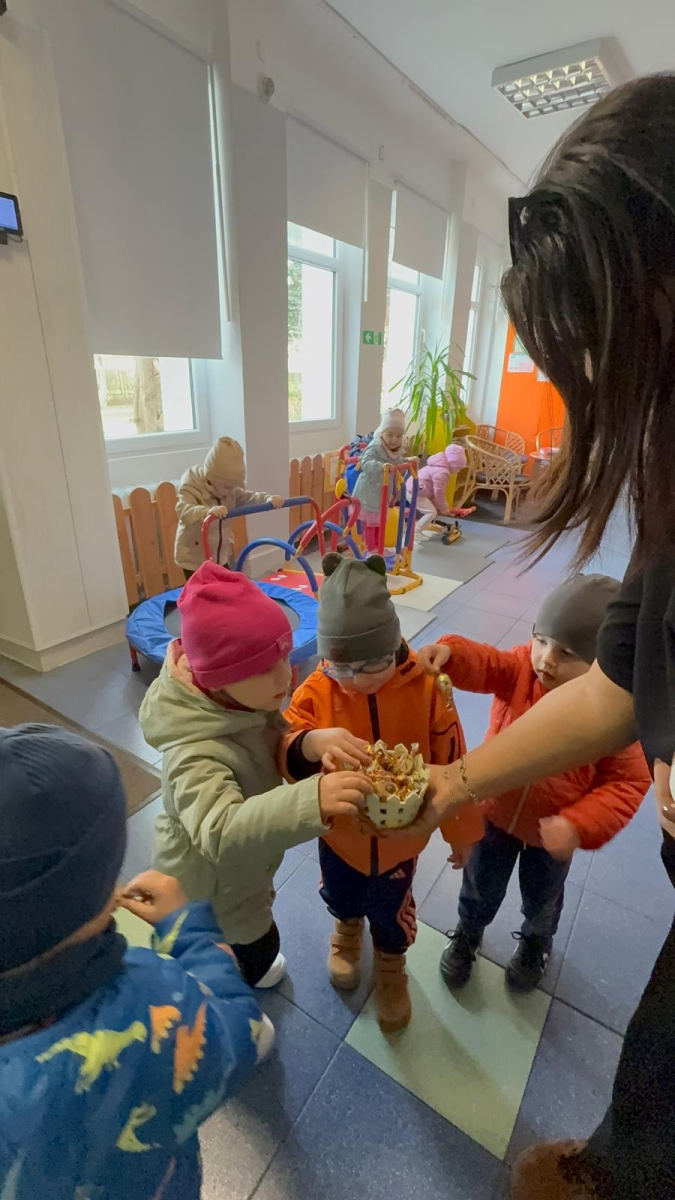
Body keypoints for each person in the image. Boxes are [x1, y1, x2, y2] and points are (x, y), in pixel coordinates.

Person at [394, 74, 675, 1200]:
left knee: (536, 915)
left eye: (598, 346)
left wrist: (579, 820)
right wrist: (457, 782)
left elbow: (617, 758)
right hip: (510, 830)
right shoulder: (663, 485)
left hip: (552, 846)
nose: (594, 383)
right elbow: (603, 681)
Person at [0, 724, 270, 1200]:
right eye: (107, 874)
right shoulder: (152, 998)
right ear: (69, 907)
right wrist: (192, 935)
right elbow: (240, 1032)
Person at [139, 560, 372, 990]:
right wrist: (312, 799)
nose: (286, 673)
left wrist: (307, 744)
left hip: (244, 876)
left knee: (257, 933)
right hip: (205, 892)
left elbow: (268, 744)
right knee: (228, 960)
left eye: (283, 656)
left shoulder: (239, 702)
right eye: (264, 667)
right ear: (219, 677)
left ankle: (253, 966)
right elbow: (221, 830)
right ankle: (236, 1008)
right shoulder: (193, 752)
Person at [418, 575, 650, 991]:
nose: (546, 659)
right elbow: (488, 664)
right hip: (494, 814)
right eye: (541, 640)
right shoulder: (522, 669)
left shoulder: (610, 715)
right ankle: (468, 933)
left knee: (543, 900)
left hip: (551, 835)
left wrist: (579, 824)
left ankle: (535, 943)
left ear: (601, 665)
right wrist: (452, 653)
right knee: (479, 887)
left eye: (567, 652)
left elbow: (628, 783)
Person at [282, 552, 483, 1032]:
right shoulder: (318, 689)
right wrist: (310, 743)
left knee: (392, 913)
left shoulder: (427, 689)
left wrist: (461, 831)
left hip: (400, 842)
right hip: (339, 835)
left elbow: (455, 761)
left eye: (372, 663)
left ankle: (391, 967)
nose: (358, 680)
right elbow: (286, 743)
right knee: (340, 892)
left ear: (393, 644)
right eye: (342, 667)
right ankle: (346, 934)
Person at [174, 436, 283, 574]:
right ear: (212, 478)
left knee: (226, 583)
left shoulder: (229, 490)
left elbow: (247, 497)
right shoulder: (192, 485)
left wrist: (267, 498)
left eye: (233, 486)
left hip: (219, 554)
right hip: (194, 558)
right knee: (204, 587)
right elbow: (183, 509)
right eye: (227, 486)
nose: (230, 490)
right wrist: (206, 512)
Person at [352, 408, 408, 551]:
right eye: (390, 435)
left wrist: (408, 461)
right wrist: (382, 466)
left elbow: (398, 463)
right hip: (368, 494)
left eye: (399, 436)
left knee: (380, 524)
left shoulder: (395, 450)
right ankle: (371, 550)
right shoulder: (375, 446)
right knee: (371, 525)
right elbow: (365, 462)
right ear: (382, 433)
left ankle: (378, 547)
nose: (394, 439)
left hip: (382, 495)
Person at [407, 442, 467, 543]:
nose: (459, 471)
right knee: (431, 512)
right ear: (452, 463)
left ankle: (417, 529)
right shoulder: (442, 472)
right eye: (458, 468)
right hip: (415, 491)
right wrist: (443, 508)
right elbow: (439, 492)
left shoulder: (439, 465)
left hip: (414, 488)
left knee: (431, 511)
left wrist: (441, 507)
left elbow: (435, 492)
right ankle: (415, 533)